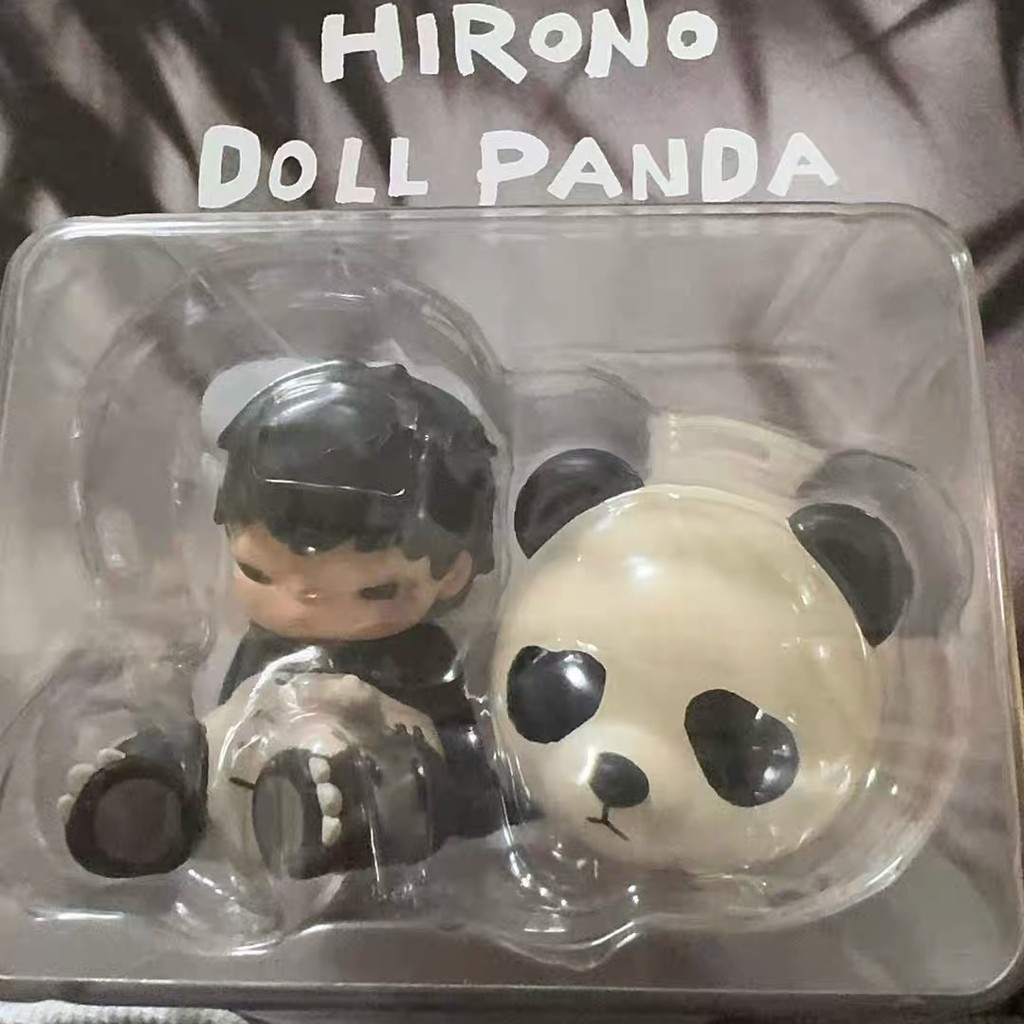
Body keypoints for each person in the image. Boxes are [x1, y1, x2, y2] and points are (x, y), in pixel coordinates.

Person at [61, 360, 507, 881]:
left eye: (373, 590)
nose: (302, 603)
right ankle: (150, 796)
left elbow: (462, 763)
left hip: (377, 786)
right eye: (258, 572)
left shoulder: (422, 657)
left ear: (453, 575)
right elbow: (232, 715)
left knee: (395, 784)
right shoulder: (261, 649)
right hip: (244, 761)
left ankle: (330, 811)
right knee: (199, 746)